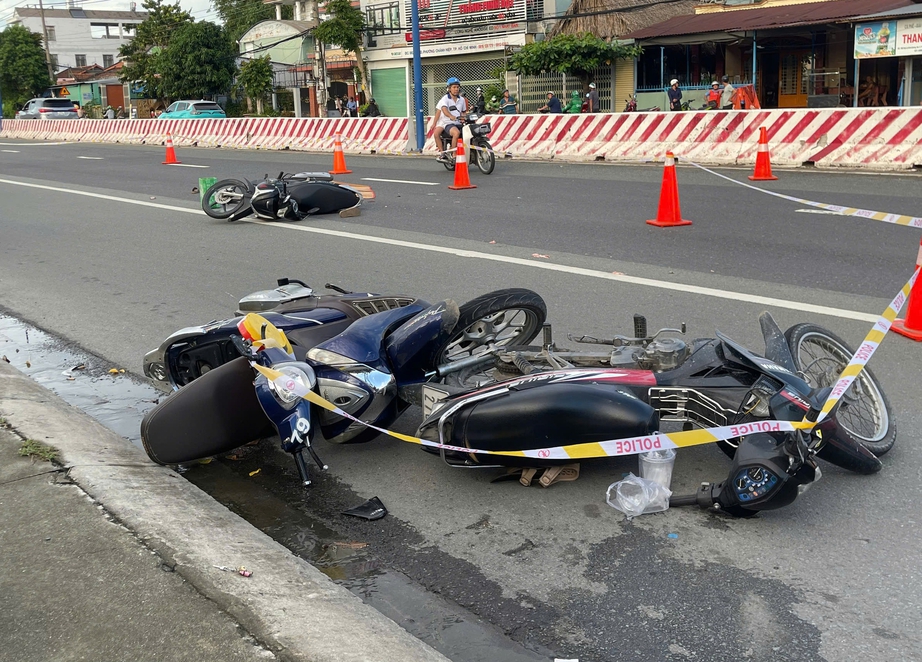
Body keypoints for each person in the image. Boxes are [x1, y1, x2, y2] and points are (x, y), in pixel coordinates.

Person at [430, 76, 467, 163]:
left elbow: (463, 112)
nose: (456, 89)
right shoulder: (444, 99)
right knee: (437, 133)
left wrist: (463, 118)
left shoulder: (462, 100)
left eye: (458, 87)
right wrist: (434, 123)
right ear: (449, 88)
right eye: (454, 87)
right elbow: (442, 111)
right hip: (446, 122)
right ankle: (446, 153)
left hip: (457, 122)